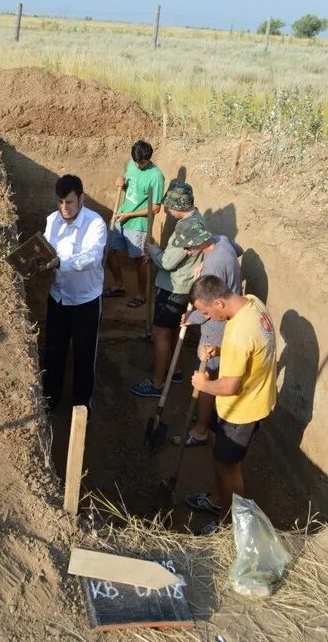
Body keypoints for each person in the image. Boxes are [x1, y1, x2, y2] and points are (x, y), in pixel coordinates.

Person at [185, 275, 277, 533]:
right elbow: (251, 349)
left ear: (219, 303)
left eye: (206, 312)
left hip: (240, 410)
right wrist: (218, 350)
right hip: (244, 402)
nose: (207, 317)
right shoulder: (252, 303)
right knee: (217, 448)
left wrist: (203, 385)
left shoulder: (238, 334)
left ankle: (228, 525)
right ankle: (217, 499)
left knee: (229, 469)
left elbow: (228, 386)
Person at [170, 224, 244, 448]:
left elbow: (208, 309)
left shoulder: (213, 265)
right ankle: (205, 417)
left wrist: (190, 319)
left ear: (200, 241)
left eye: (189, 248)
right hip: (225, 318)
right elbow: (238, 249)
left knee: (205, 375)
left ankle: (201, 429)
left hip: (216, 326)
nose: (187, 252)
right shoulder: (221, 239)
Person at [130, 181, 205, 397]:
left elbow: (169, 262)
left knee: (161, 334)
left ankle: (157, 383)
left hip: (173, 288)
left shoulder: (186, 227)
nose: (167, 211)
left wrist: (154, 251)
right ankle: (176, 371)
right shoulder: (197, 220)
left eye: (169, 206)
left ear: (178, 205)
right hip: (184, 286)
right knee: (172, 331)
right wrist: (158, 254)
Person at [42, 174, 107, 412]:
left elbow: (91, 258)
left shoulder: (95, 224)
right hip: (58, 297)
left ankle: (82, 407)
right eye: (59, 202)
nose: (63, 208)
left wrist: (60, 262)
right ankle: (49, 401)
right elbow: (46, 248)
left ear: (81, 198)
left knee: (84, 356)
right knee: (54, 352)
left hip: (85, 301)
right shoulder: (53, 220)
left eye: (68, 202)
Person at [104, 140, 165, 308]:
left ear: (148, 158)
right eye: (136, 162)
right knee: (109, 251)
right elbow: (128, 188)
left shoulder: (156, 176)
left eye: (142, 162)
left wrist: (129, 214)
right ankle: (118, 285)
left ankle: (141, 294)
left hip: (138, 224)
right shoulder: (132, 164)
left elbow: (156, 207)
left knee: (139, 260)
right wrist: (121, 184)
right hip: (120, 217)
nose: (138, 165)